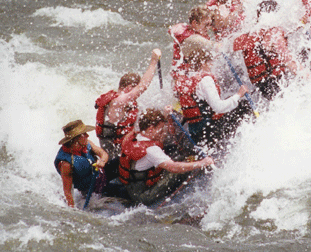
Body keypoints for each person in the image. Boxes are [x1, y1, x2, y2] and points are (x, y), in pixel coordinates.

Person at [118, 108, 214, 206]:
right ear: (150, 129)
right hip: (144, 196)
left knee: (180, 158)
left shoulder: (134, 136)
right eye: (160, 129)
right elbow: (174, 167)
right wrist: (202, 163)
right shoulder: (152, 150)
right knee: (183, 167)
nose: (163, 132)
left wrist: (164, 115)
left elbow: (154, 129)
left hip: (132, 188)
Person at [94, 48, 162, 178]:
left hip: (119, 154)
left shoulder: (121, 103)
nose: (136, 94)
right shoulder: (118, 101)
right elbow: (143, 86)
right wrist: (153, 61)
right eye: (134, 88)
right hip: (115, 160)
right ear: (129, 87)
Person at [174, 46, 252, 149]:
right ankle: (247, 142)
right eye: (210, 62)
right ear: (203, 63)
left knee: (232, 104)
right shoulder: (205, 80)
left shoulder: (186, 79)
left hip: (197, 133)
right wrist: (238, 95)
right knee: (244, 106)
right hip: (211, 131)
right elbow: (218, 107)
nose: (212, 65)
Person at [233, 0, 301, 100]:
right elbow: (290, 62)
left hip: (261, 88)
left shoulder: (244, 38)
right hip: (279, 84)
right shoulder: (274, 34)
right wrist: (309, 78)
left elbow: (234, 47)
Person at [54, 119, 109, 208]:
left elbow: (103, 154)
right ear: (75, 139)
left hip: (101, 174)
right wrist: (72, 211)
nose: (87, 135)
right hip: (93, 189)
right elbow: (68, 192)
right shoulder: (66, 164)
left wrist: (102, 161)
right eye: (84, 134)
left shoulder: (87, 143)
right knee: (122, 193)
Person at [169, 6, 216, 81]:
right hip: (182, 78)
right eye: (206, 24)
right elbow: (217, 47)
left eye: (210, 24)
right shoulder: (190, 38)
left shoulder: (201, 34)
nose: (208, 28)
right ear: (194, 23)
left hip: (189, 74)